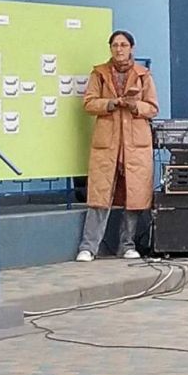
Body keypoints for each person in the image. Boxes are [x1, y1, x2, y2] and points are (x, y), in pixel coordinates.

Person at [76, 30, 159, 263]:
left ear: (132, 47)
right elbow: (89, 103)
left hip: (135, 143)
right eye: (115, 45)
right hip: (108, 141)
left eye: (123, 45)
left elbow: (152, 107)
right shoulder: (99, 74)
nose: (119, 49)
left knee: (134, 196)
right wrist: (112, 103)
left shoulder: (143, 75)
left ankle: (127, 244)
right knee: (99, 196)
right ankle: (89, 247)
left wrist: (135, 106)